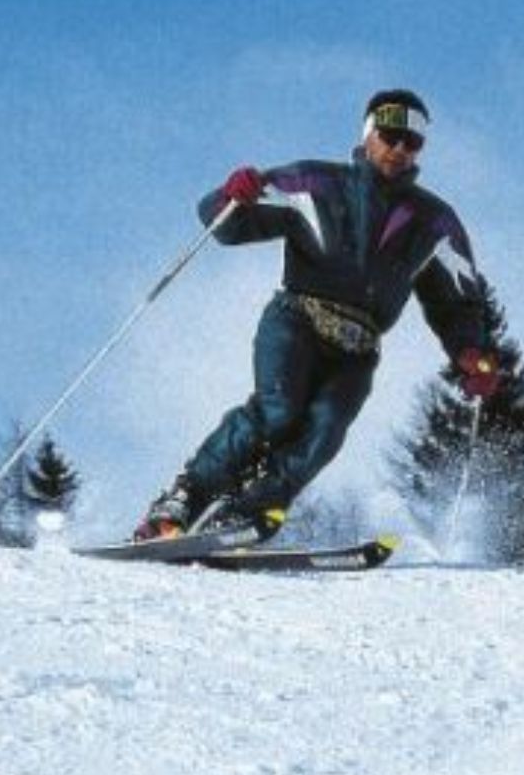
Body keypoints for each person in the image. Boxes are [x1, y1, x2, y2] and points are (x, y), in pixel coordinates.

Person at [132, 88, 501, 541]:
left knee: (324, 434)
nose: (400, 149)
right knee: (278, 409)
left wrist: (471, 352)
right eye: (390, 136)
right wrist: (233, 194)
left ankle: (245, 513)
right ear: (368, 135)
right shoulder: (315, 183)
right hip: (297, 320)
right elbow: (225, 223)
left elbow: (457, 302)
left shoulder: (434, 222)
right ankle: (185, 498)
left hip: (358, 347)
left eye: (413, 143)